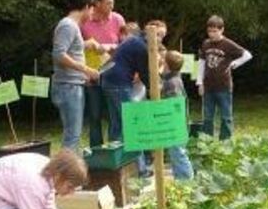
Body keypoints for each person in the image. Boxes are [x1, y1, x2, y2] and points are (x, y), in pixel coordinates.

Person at [100, 21, 167, 177]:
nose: (160, 40)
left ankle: (115, 166)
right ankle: (141, 170)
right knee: (132, 126)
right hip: (120, 83)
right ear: (150, 34)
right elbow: (145, 73)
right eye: (158, 35)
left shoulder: (134, 40)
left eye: (162, 36)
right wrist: (156, 87)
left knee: (116, 126)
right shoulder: (142, 47)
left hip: (108, 80)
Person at [51, 0, 99, 152]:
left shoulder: (71, 26)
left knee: (73, 134)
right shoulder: (68, 25)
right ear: (86, 7)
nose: (92, 14)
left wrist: (86, 44)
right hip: (68, 87)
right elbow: (59, 54)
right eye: (92, 9)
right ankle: (65, 176)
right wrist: (86, 69)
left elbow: (69, 49)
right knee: (72, 136)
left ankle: (67, 174)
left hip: (71, 85)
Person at [80, 0, 126, 148]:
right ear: (97, 3)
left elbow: (125, 44)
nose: (112, 7)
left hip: (114, 76)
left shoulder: (118, 19)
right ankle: (96, 154)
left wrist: (107, 46)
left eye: (113, 3)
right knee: (94, 115)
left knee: (115, 115)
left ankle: (117, 152)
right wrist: (83, 72)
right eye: (108, 4)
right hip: (92, 76)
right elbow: (76, 48)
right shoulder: (84, 22)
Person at [196, 15, 252, 140]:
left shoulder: (228, 44)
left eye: (215, 31)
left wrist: (235, 63)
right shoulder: (205, 44)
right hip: (208, 86)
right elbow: (201, 63)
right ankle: (207, 141)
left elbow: (247, 55)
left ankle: (225, 142)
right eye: (209, 31)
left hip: (223, 86)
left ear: (222, 30)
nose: (212, 34)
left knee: (226, 116)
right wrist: (200, 83)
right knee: (207, 116)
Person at [160, 50, 194, 180]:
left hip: (176, 124)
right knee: (176, 153)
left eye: (162, 61)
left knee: (178, 153)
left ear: (167, 65)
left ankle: (186, 181)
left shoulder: (172, 83)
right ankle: (180, 179)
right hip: (177, 124)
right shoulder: (172, 79)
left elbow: (174, 105)